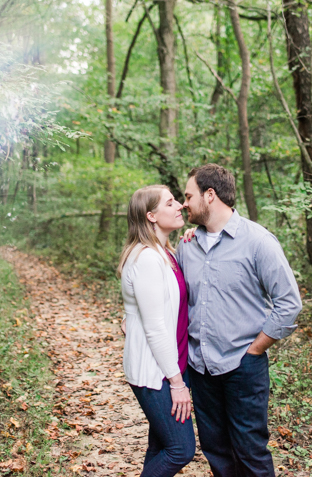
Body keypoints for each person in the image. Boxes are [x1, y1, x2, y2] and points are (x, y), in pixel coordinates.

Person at [176, 164, 302, 477]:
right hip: (201, 368)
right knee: (216, 451)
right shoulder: (186, 246)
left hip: (243, 367)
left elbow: (289, 304)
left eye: (188, 195)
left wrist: (256, 349)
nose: (183, 203)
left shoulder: (258, 242)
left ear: (210, 194)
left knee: (250, 453)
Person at [118, 185, 195, 476]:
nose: (180, 206)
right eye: (170, 202)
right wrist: (177, 383)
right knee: (180, 450)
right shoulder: (148, 258)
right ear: (151, 215)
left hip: (172, 365)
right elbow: (154, 327)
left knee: (160, 446)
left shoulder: (164, 252)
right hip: (158, 373)